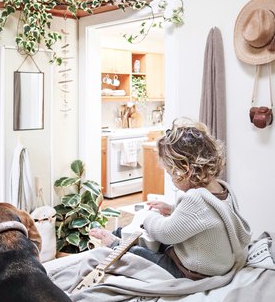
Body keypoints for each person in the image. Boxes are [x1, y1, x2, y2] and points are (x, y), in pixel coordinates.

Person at [90, 118, 252, 280]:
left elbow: (165, 233)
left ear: (184, 171)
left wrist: (149, 218)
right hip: (216, 263)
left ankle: (115, 244)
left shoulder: (195, 199)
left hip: (194, 271)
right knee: (150, 238)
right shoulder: (223, 189)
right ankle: (119, 233)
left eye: (169, 173)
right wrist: (172, 209)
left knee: (143, 256)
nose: (171, 178)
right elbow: (204, 218)